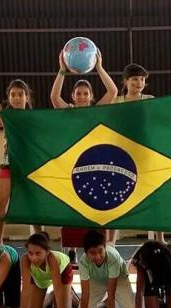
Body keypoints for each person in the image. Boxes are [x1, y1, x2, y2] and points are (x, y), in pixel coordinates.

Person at [109, 63, 171, 244]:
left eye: (142, 79)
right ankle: (111, 241)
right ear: (125, 81)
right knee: (116, 198)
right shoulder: (116, 102)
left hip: (146, 155)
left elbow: (167, 114)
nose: (139, 83)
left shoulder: (150, 100)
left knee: (155, 196)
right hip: (121, 155)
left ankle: (160, 238)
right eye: (135, 79)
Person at [50, 49, 118, 262]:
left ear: (91, 96)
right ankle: (71, 250)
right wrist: (62, 70)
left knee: (95, 205)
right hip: (72, 164)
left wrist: (99, 67)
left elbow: (113, 91)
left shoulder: (96, 111)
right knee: (72, 206)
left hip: (93, 163)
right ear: (73, 96)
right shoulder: (68, 111)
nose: (81, 96)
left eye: (85, 94)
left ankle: (97, 248)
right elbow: (54, 97)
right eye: (78, 93)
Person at [0, 79, 42, 242]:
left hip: (29, 166)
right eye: (13, 95)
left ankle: (40, 238)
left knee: (34, 206)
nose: (17, 98)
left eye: (20, 94)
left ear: (27, 97)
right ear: (8, 98)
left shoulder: (35, 117)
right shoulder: (7, 117)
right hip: (8, 164)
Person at [10, 232, 73, 308]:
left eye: (38, 253)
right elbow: (25, 289)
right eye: (30, 253)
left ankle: (71, 295)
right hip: (41, 277)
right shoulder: (25, 260)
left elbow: (57, 289)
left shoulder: (52, 259)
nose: (33, 258)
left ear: (47, 252)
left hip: (62, 271)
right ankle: (51, 296)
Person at [77, 230, 134, 308]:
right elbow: (85, 294)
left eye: (100, 251)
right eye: (92, 253)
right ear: (86, 253)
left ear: (105, 248)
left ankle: (107, 301)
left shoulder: (112, 258)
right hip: (97, 280)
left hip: (119, 278)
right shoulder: (83, 262)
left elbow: (111, 294)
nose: (97, 256)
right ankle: (102, 304)